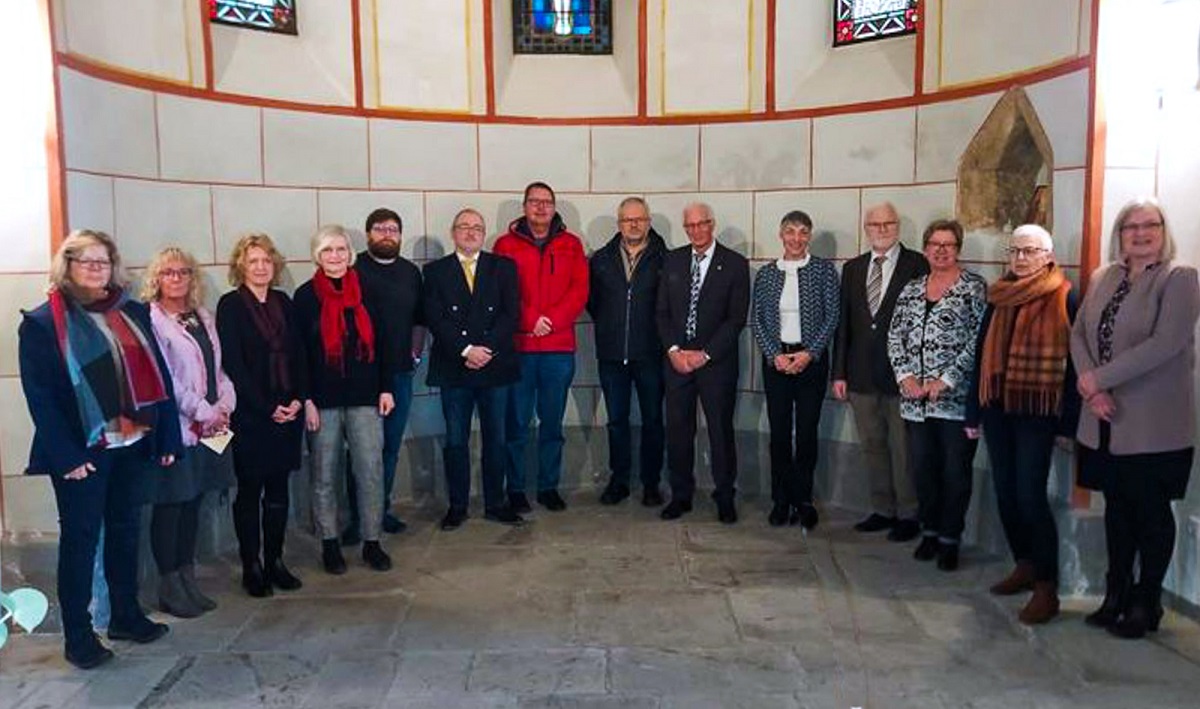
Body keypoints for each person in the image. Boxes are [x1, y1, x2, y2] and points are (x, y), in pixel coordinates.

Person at [19, 229, 182, 669]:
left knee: (126, 530)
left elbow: (159, 375)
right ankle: (78, 636)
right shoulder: (42, 323)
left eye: (103, 261)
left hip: (131, 440)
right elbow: (42, 399)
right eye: (86, 261)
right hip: (83, 451)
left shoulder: (130, 311)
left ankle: (126, 615)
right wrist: (66, 456)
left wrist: (166, 435)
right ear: (67, 267)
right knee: (81, 541)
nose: (96, 268)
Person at [1072, 198, 1199, 639]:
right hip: (1103, 418)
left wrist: (1098, 380)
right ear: (1119, 233)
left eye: (1150, 225)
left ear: (1163, 231)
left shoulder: (1179, 279)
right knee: (1117, 509)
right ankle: (1116, 594)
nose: (1140, 234)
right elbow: (1079, 333)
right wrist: (1093, 386)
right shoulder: (1102, 277)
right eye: (1131, 226)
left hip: (1152, 422)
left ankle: (1148, 602)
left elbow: (1166, 343)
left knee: (1151, 513)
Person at [965, 223, 1078, 625]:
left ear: (1048, 255)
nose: (1021, 258)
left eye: (1030, 251)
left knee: (1030, 495)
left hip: (1037, 411)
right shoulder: (999, 296)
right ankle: (1025, 563)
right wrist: (972, 412)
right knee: (1006, 493)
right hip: (998, 408)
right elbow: (981, 355)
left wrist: (1068, 423)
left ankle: (1047, 586)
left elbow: (1076, 365)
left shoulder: (1065, 295)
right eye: (1015, 251)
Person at [294, 225, 395, 574]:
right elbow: (300, 355)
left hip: (366, 395)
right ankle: (330, 543)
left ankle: (371, 541)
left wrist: (386, 388)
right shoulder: (306, 296)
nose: (334, 257)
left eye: (340, 249)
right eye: (327, 251)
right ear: (317, 256)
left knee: (370, 469)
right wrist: (305, 399)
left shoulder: (369, 290)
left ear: (350, 253)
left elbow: (384, 343)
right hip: (322, 400)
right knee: (324, 473)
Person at [886, 220, 986, 571]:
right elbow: (894, 335)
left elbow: (979, 341)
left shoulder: (973, 288)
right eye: (934, 244)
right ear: (925, 248)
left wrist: (945, 380)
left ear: (958, 248)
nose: (941, 250)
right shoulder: (912, 288)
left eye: (949, 244)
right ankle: (929, 532)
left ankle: (949, 539)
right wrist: (906, 376)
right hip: (914, 401)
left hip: (954, 402)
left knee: (955, 473)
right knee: (923, 471)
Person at [142, 247, 237, 617]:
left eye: (183, 271)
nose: (176, 278)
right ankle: (169, 585)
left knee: (194, 503)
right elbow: (165, 379)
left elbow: (218, 369)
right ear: (157, 279)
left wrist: (225, 404)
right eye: (168, 272)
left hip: (211, 425)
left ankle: (187, 577)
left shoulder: (202, 317)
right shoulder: (152, 320)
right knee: (172, 505)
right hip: (178, 427)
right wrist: (203, 411)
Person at [216, 234, 307, 598]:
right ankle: (251, 565)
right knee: (250, 491)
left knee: (279, 491)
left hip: (289, 411)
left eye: (266, 260)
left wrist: (299, 399)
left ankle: (275, 561)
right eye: (252, 261)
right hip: (253, 415)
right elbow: (234, 364)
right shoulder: (231, 305)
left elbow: (300, 352)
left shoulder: (284, 301)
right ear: (241, 266)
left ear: (275, 264)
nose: (260, 266)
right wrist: (266, 406)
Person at [832, 202, 929, 541]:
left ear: (898, 226)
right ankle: (882, 508)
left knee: (903, 448)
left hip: (902, 377)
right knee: (872, 444)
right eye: (875, 224)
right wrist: (839, 373)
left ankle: (909, 512)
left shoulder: (917, 264)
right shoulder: (854, 268)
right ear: (866, 229)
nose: (882, 229)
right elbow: (844, 325)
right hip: (860, 375)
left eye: (888, 223)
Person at [423, 208, 524, 530]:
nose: (470, 232)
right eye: (463, 227)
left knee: (497, 438)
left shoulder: (503, 267)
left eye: (477, 228)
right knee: (456, 440)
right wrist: (466, 349)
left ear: (484, 234)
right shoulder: (435, 271)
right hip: (455, 367)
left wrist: (486, 350)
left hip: (495, 366)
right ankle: (458, 505)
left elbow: (511, 314)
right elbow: (435, 317)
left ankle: (496, 503)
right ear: (453, 233)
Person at [495, 181, 589, 512]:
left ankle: (549, 486)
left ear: (554, 207)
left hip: (558, 349)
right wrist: (530, 319)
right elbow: (501, 292)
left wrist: (551, 320)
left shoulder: (571, 244)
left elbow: (580, 290)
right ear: (524, 207)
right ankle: (516, 488)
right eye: (534, 202)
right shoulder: (505, 245)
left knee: (552, 424)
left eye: (546, 202)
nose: (540, 208)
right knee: (516, 424)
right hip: (519, 348)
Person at [656, 202, 750, 524]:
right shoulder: (672, 261)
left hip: (716, 363)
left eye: (701, 224)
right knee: (678, 431)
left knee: (720, 431)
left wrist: (705, 354)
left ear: (713, 223)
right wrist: (673, 351)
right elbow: (661, 313)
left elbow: (736, 319)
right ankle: (680, 495)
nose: (696, 231)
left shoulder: (735, 264)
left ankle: (725, 496)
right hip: (677, 362)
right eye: (689, 226)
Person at [751, 210, 839, 530]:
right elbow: (757, 318)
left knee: (805, 433)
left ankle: (803, 500)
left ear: (809, 236)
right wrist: (774, 354)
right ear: (781, 234)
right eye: (790, 231)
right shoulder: (766, 274)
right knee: (778, 434)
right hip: (776, 362)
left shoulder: (823, 271)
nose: (796, 239)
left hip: (810, 363)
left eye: (803, 232)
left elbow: (832, 316)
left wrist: (810, 353)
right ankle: (780, 499)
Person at [341, 207, 423, 544]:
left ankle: (381, 510)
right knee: (360, 449)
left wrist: (415, 353)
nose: (387, 234)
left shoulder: (409, 273)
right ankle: (357, 518)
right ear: (368, 234)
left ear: (400, 235)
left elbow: (421, 317)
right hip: (362, 377)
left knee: (390, 447)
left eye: (393, 229)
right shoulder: (352, 270)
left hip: (400, 374)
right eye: (379, 229)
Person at [587, 196, 667, 507]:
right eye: (627, 219)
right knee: (616, 420)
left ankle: (651, 483)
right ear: (619, 223)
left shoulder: (666, 258)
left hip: (651, 353)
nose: (634, 224)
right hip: (611, 354)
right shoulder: (601, 259)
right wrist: (612, 325)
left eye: (640, 219)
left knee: (652, 421)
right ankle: (619, 480)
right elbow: (593, 302)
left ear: (648, 222)